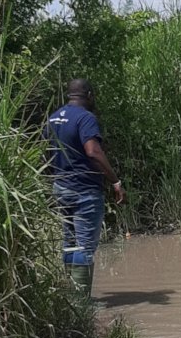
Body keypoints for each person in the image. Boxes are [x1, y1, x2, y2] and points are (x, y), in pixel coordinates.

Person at [45, 78, 125, 294]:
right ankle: (81, 303)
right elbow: (93, 151)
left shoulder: (53, 118)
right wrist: (115, 181)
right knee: (84, 247)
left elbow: (47, 154)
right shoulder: (85, 118)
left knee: (69, 242)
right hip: (84, 191)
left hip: (61, 189)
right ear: (88, 95)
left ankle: (71, 299)